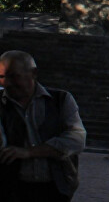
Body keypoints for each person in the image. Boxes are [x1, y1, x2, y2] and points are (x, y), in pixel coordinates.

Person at [0, 50, 87, 201]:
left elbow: (77, 140)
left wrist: (29, 152)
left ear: (34, 73)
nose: (6, 83)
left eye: (14, 76)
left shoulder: (61, 100)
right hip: (11, 189)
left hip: (55, 187)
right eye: (1, 77)